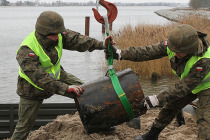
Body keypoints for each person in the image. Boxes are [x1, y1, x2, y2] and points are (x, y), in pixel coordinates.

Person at [11, 11, 108, 140]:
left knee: (86, 91)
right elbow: (40, 78)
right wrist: (66, 88)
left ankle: (98, 125)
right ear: (43, 34)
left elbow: (78, 40)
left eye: (59, 33)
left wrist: (102, 45)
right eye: (53, 35)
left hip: (58, 77)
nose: (58, 37)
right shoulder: (26, 50)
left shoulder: (58, 34)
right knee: (24, 126)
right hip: (32, 90)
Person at [105, 24, 210, 140]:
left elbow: (184, 87)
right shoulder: (174, 46)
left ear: (190, 50)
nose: (174, 54)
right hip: (189, 84)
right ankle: (152, 135)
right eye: (173, 50)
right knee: (170, 107)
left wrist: (157, 99)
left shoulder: (204, 60)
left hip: (207, 89)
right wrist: (120, 54)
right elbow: (146, 52)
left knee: (205, 122)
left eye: (179, 52)